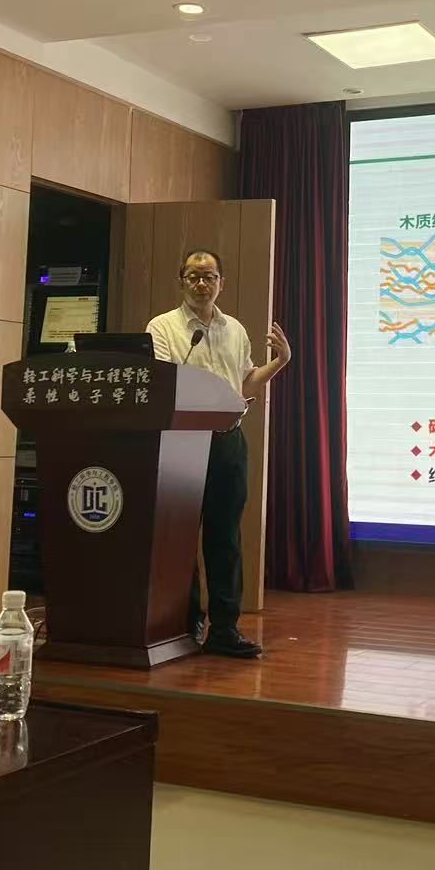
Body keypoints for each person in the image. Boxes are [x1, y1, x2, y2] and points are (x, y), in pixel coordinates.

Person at [147, 248, 290, 658]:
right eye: (193, 276)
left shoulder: (235, 330)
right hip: (181, 444)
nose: (201, 283)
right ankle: (184, 621)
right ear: (181, 281)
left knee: (225, 537)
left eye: (209, 276)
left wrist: (281, 361)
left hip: (227, 440)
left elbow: (244, 384)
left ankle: (225, 628)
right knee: (180, 537)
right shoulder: (162, 327)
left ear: (221, 283)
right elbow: (163, 382)